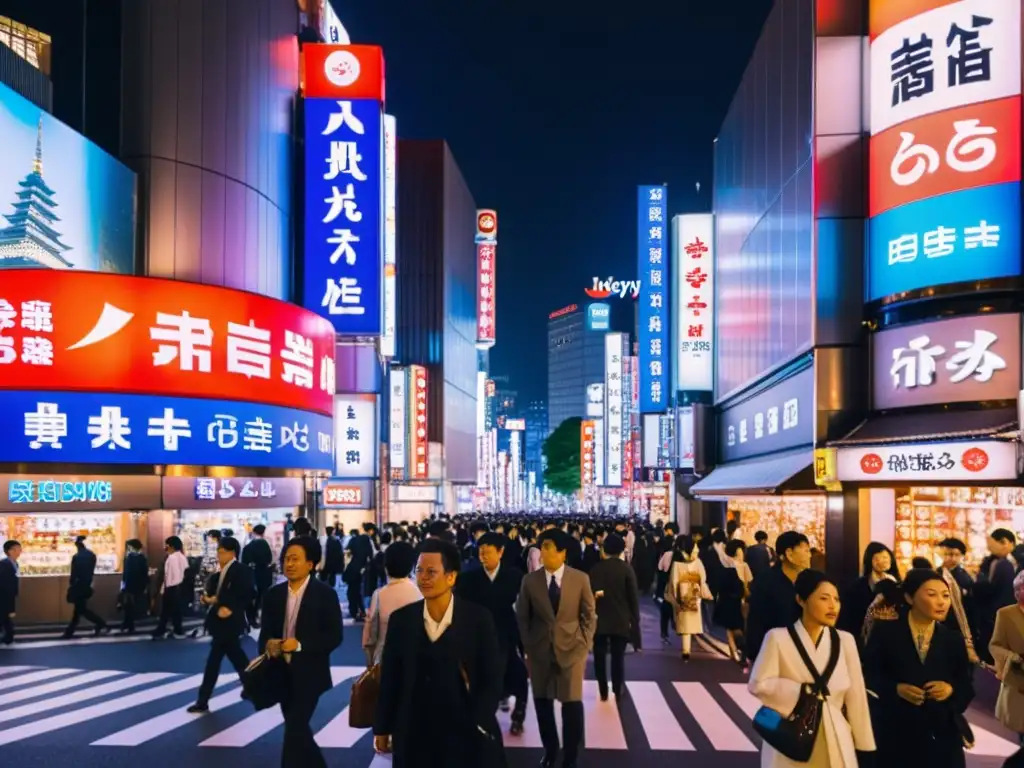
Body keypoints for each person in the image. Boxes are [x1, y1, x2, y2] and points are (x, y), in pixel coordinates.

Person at [373, 538, 506, 767]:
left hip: (463, 728)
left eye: (431, 572)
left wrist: (480, 719)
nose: (423, 577)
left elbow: (491, 675)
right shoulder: (402, 620)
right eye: (419, 571)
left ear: (451, 577)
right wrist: (383, 727)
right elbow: (391, 678)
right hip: (413, 729)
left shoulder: (477, 619)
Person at [748, 569, 875, 767]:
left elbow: (856, 695)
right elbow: (758, 684)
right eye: (824, 598)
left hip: (836, 732)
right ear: (801, 600)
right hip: (790, 733)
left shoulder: (845, 640)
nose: (833, 605)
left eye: (837, 599)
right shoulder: (778, 637)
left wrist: (864, 744)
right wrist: (801, 692)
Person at [864, 568, 975, 767]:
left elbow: (966, 687)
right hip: (896, 734)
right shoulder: (886, 632)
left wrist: (950, 690)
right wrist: (895, 689)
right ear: (909, 597)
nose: (942, 602)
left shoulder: (953, 639)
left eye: (946, 595)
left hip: (942, 736)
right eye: (932, 595)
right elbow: (868, 675)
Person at [260, 536, 343, 768]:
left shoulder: (325, 594)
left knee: (295, 728)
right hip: (280, 674)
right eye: (286, 559)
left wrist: (299, 645)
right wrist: (270, 644)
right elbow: (265, 633)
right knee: (297, 731)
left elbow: (334, 636)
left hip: (310, 674)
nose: (289, 564)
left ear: (310, 564)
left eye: (295, 559)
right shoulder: (273, 595)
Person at [516, 528, 596, 768]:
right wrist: (529, 643)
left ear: (562, 553)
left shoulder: (580, 579)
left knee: (571, 704)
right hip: (540, 650)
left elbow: (589, 615)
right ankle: (550, 750)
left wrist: (584, 644)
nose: (543, 552)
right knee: (542, 703)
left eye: (549, 547)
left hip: (572, 648)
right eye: (542, 547)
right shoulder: (530, 580)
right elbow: (523, 616)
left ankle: (570, 755)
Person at [456, 531, 528, 733]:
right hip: (479, 638)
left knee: (518, 675)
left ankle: (519, 714)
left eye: (488, 552)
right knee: (485, 680)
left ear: (500, 552)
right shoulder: (469, 578)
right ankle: (483, 720)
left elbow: (523, 607)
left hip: (506, 634)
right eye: (481, 552)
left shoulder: (514, 576)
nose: (483, 556)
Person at [188, 536, 253, 713]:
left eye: (221, 551)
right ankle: (252, 687)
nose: (218, 555)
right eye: (218, 551)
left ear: (231, 553)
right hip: (219, 622)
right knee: (237, 658)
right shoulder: (219, 573)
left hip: (230, 622)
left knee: (214, 663)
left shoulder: (241, 571)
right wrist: (208, 599)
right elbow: (216, 594)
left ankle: (203, 700)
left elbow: (247, 594)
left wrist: (231, 608)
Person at [588, 533, 640, 700]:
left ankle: (602, 688)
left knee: (599, 655)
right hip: (621, 619)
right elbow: (633, 596)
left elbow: (589, 595)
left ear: (604, 550)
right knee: (618, 656)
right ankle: (617, 688)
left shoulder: (596, 569)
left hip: (600, 618)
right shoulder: (626, 569)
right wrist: (634, 620)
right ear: (620, 551)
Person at [746, 531, 811, 663]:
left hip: (804, 655)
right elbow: (756, 620)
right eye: (806, 550)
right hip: (773, 655)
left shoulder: (811, 581)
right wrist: (755, 655)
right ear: (789, 553)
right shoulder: (766, 582)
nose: (809, 555)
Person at [363, 541, 420, 666]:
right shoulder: (420, 594)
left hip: (385, 659)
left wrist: (370, 663)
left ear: (386, 566)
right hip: (416, 660)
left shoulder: (379, 595)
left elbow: (370, 636)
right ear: (412, 566)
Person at [989, 570, 1024, 764]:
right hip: (1019, 683)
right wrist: (1012, 658)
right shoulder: (1005, 614)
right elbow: (995, 645)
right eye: (1021, 588)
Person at [838, 542, 901, 645]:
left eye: (885, 557)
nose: (882, 561)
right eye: (877, 558)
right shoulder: (857, 587)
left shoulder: (898, 584)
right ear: (869, 561)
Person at [666, 534, 712, 661]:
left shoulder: (677, 563)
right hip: (695, 595)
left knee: (684, 625)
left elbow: (674, 581)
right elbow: (703, 578)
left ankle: (686, 650)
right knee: (692, 623)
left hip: (682, 595)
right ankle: (689, 647)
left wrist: (675, 597)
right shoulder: (697, 562)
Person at [977, 529, 1018, 664]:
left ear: (1006, 543)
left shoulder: (1006, 564)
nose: (990, 548)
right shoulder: (993, 562)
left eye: (993, 544)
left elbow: (1002, 595)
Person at [937, 537, 978, 664]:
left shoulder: (965, 577)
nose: (952, 558)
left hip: (961, 623)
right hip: (941, 621)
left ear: (961, 556)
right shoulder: (936, 573)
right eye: (949, 554)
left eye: (956, 555)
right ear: (942, 554)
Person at [63, 535, 110, 638]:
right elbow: (91, 571)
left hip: (78, 586)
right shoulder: (92, 555)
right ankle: (69, 632)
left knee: (81, 610)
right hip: (87, 585)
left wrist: (71, 585)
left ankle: (101, 624)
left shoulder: (76, 557)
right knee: (80, 610)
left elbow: (73, 575)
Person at [153, 535, 189, 639]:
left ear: (171, 546)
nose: (165, 547)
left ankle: (167, 629)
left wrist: (165, 588)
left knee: (167, 611)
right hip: (179, 588)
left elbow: (170, 575)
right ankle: (168, 629)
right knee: (174, 611)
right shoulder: (182, 557)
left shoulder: (172, 558)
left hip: (172, 588)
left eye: (167, 545)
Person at [242, 524, 274, 629]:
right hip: (263, 575)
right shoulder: (265, 544)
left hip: (251, 574)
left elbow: (244, 561)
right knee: (261, 597)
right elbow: (269, 559)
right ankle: (257, 618)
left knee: (251, 597)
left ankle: (250, 618)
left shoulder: (248, 545)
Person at [120, 539, 149, 634]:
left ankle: (128, 624)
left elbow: (126, 574)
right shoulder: (142, 558)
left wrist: (123, 585)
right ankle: (128, 624)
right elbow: (144, 573)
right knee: (130, 605)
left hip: (129, 585)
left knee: (129, 605)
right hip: (137, 585)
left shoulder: (129, 558)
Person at [0, 540, 20, 645]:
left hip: (8, 597)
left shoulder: (15, 563)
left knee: (5, 618)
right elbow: (4, 583)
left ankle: (8, 638)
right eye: (17, 549)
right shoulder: (4, 564)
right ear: (10, 551)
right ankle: (9, 637)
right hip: (3, 597)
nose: (20, 551)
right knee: (4, 617)